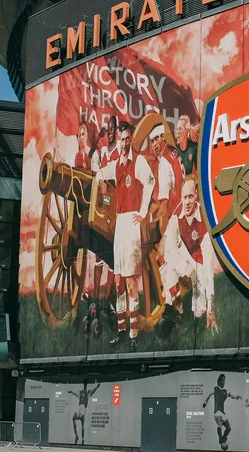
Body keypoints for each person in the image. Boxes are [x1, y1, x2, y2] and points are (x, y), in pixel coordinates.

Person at [94, 123, 155, 348]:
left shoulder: (137, 161)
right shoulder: (116, 164)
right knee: (119, 281)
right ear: (118, 140)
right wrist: (101, 185)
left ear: (131, 140)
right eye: (121, 139)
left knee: (131, 282)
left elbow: (150, 182)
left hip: (131, 222)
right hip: (119, 224)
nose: (124, 142)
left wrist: (142, 212)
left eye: (127, 138)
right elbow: (100, 173)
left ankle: (133, 335)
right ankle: (121, 331)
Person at [159, 177, 217, 332]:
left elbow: (208, 270)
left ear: (196, 195)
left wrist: (211, 311)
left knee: (199, 312)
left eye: (190, 197)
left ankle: (203, 314)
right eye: (184, 197)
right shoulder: (176, 217)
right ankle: (178, 310)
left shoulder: (205, 218)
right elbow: (169, 251)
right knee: (166, 271)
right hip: (185, 256)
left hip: (201, 260)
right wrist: (184, 266)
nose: (187, 202)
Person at [202, 374, 242, 451]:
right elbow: (209, 394)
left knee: (229, 428)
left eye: (224, 381)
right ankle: (221, 438)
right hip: (217, 412)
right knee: (219, 424)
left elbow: (231, 395)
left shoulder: (224, 391)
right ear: (219, 381)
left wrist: (237, 397)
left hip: (222, 413)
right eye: (223, 380)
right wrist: (205, 403)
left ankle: (223, 439)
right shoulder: (215, 389)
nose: (224, 382)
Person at [68, 379, 97, 445]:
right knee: (73, 418)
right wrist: (71, 391)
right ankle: (76, 436)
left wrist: (96, 387)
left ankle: (83, 440)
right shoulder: (80, 392)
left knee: (82, 423)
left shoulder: (88, 393)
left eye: (85, 383)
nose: (85, 385)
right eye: (84, 383)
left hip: (83, 408)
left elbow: (93, 390)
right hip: (79, 407)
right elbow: (75, 393)